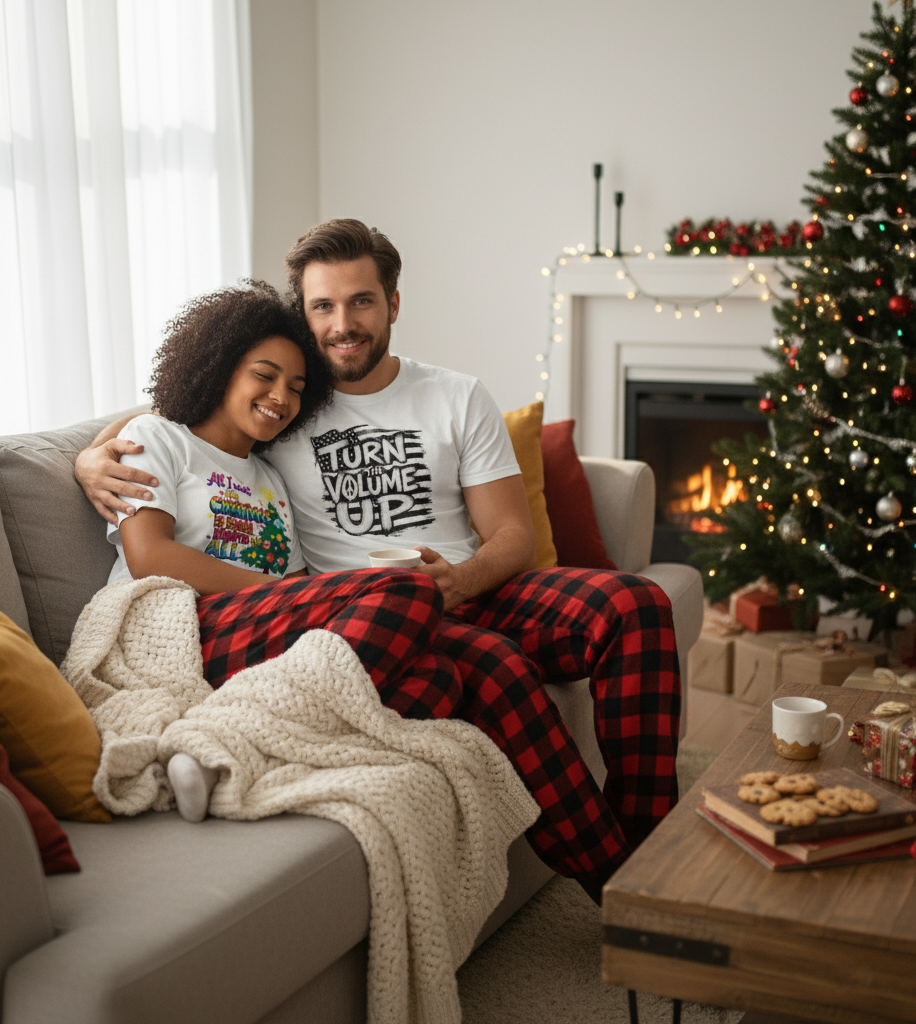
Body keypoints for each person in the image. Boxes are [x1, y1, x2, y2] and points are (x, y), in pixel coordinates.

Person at [77, 223, 682, 903]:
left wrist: (464, 579)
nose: (343, 324)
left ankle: (652, 860)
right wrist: (89, 455)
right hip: (360, 607)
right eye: (323, 307)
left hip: (467, 586)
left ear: (393, 303)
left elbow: (512, 536)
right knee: (487, 667)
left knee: (638, 605)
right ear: (303, 316)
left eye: (361, 302)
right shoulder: (288, 412)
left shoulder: (451, 395)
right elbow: (186, 413)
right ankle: (626, 896)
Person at [103, 280, 460, 823]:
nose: (280, 398)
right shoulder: (158, 437)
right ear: (221, 366)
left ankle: (229, 753)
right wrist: (285, 594)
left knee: (440, 675)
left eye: (295, 387)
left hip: (260, 632)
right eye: (264, 376)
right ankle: (219, 739)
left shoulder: (271, 477)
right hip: (177, 625)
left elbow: (295, 585)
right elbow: (150, 556)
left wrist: (296, 597)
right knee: (409, 588)